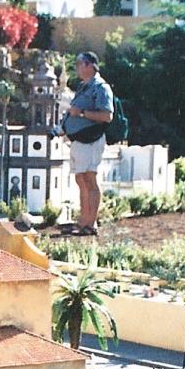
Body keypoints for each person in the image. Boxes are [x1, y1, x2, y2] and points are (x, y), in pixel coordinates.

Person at [62, 51, 114, 236]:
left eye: (79, 63)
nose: (76, 67)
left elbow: (107, 116)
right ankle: (84, 221)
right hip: (79, 141)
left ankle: (90, 224)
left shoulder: (100, 87)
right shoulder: (84, 87)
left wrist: (82, 113)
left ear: (90, 65)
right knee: (80, 179)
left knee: (89, 179)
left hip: (91, 140)